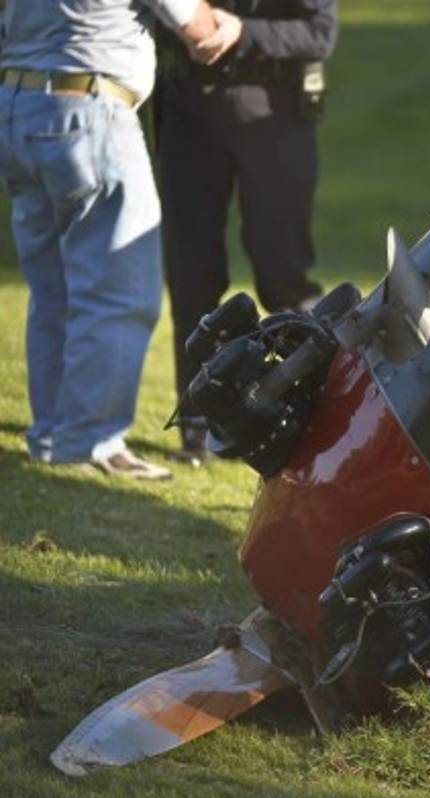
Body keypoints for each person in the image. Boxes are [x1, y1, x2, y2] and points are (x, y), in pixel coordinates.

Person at [0, 0, 241, 478]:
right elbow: (198, 27)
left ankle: (51, 437)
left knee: (56, 292)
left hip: (18, 106)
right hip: (89, 111)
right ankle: (91, 442)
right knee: (121, 294)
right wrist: (230, 23)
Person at [157, 0, 338, 463]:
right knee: (191, 272)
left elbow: (319, 34)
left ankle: (317, 417)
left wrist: (242, 31)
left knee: (284, 276)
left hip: (273, 114)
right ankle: (198, 424)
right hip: (187, 110)